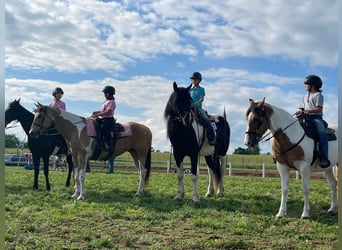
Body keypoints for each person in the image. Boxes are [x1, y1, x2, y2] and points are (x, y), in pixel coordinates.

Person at [295, 75, 330, 168]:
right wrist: (299, 110)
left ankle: (324, 157)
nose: (304, 86)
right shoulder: (304, 96)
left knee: (322, 134)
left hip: (316, 118)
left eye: (306, 84)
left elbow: (319, 109)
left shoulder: (318, 95)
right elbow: (301, 107)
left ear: (313, 85)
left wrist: (309, 111)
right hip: (305, 117)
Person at [189, 72, 216, 145]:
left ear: (199, 80)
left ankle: (212, 138)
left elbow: (201, 99)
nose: (194, 81)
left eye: (196, 79)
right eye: (193, 79)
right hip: (190, 108)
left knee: (207, 121)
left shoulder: (201, 89)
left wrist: (195, 104)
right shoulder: (190, 90)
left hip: (198, 108)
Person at [92, 86, 116, 159]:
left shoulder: (111, 102)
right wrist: (96, 112)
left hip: (108, 120)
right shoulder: (106, 102)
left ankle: (110, 145)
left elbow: (108, 111)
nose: (104, 94)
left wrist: (98, 114)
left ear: (109, 94)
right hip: (103, 119)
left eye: (106, 93)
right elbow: (103, 111)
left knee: (104, 129)